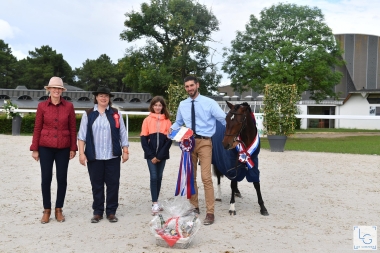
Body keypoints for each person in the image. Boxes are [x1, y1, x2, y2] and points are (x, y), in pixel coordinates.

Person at [170, 76, 226, 225]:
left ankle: (210, 212)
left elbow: (223, 118)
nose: (189, 89)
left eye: (191, 85)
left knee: (206, 177)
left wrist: (230, 135)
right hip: (188, 143)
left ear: (197, 85)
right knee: (191, 177)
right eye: (187, 86)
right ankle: (194, 207)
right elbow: (178, 122)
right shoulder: (183, 104)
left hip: (205, 142)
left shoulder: (210, 103)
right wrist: (170, 130)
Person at [77, 86, 129, 223]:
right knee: (97, 184)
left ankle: (111, 212)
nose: (103, 98)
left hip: (112, 156)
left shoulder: (116, 114)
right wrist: (81, 153)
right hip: (94, 156)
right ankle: (98, 211)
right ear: (96, 97)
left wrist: (125, 150)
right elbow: (81, 136)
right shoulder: (88, 114)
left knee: (113, 185)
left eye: (106, 95)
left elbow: (123, 133)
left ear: (109, 98)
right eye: (101, 95)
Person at [30, 76, 78, 224]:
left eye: (59, 88)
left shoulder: (69, 106)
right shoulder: (42, 106)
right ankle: (46, 210)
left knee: (62, 178)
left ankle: (58, 209)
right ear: (49, 89)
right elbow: (37, 127)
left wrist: (73, 147)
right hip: (45, 147)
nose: (56, 91)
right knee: (46, 178)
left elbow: (72, 128)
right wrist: (35, 148)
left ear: (61, 90)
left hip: (63, 147)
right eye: (54, 88)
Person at [140, 96, 172, 215]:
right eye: (155, 105)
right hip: (151, 156)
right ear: (152, 106)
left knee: (159, 177)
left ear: (163, 106)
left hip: (162, 155)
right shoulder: (147, 120)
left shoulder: (168, 121)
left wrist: (160, 156)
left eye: (160, 105)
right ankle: (154, 203)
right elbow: (143, 140)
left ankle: (156, 201)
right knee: (153, 177)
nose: (158, 107)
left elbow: (169, 141)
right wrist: (152, 155)